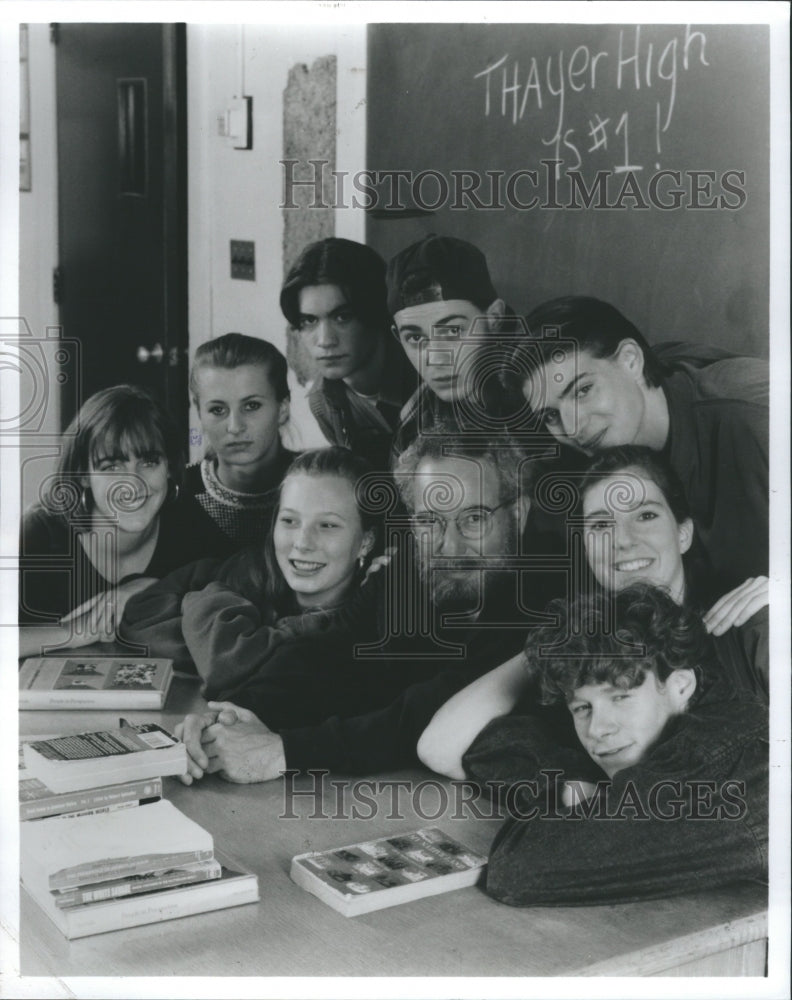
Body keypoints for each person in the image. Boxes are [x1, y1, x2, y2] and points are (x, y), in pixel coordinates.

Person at [172, 430, 566, 783]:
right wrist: (234, 714)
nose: (449, 546)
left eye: (474, 519)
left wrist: (286, 752)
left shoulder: (546, 594)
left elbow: (426, 707)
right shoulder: (409, 564)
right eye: (429, 521)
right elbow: (328, 651)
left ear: (519, 512)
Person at [417, 445, 768, 779]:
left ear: (683, 533)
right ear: (584, 546)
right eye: (600, 524)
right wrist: (551, 648)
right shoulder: (583, 657)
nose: (623, 540)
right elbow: (439, 748)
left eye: (645, 515)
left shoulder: (748, 629)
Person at [461, 585, 768, 906]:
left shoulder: (725, 761)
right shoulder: (661, 733)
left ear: (680, 686)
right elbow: (484, 751)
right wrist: (573, 786)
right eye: (582, 708)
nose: (598, 729)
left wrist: (579, 794)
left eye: (621, 697)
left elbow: (517, 870)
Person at [515, 296, 768, 592]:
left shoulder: (757, 415)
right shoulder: (569, 469)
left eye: (583, 390)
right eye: (550, 415)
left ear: (631, 360)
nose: (571, 428)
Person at [121, 447, 379, 701]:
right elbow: (138, 620)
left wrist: (205, 628)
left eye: (327, 525)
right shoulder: (251, 570)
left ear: (366, 541)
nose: (302, 542)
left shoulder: (373, 633)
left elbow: (225, 669)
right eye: (290, 520)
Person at [18, 384, 229, 659]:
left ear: (169, 467)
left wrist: (152, 587)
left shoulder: (187, 522)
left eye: (149, 462)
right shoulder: (41, 532)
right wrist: (74, 631)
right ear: (83, 474)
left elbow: (242, 582)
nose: (132, 483)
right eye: (112, 466)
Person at [280, 238, 417, 470]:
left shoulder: (428, 375)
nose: (324, 341)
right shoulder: (323, 401)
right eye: (310, 320)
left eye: (342, 317)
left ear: (374, 312)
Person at [387, 234, 522, 462]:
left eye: (453, 331)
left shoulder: (547, 397)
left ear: (494, 318)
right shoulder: (413, 423)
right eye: (415, 338)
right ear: (397, 337)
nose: (437, 358)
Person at [182, 333, 298, 549]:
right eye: (217, 410)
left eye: (251, 406)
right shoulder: (178, 494)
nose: (235, 427)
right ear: (199, 412)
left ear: (282, 408)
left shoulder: (323, 485)